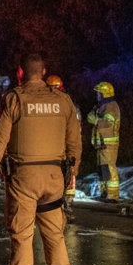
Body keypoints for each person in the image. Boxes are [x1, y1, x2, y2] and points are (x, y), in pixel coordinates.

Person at [0, 53, 80, 265]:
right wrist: (72, 174)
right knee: (55, 236)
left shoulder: (14, 99)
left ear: (20, 73)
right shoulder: (63, 101)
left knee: (22, 235)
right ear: (44, 72)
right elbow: (74, 144)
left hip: (23, 179)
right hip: (54, 179)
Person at [46, 75, 77, 221]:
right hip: (51, 146)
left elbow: (75, 129)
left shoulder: (68, 104)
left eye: (53, 88)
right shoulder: (48, 103)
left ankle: (66, 205)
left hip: (62, 147)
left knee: (68, 174)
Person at [87, 82, 121, 201]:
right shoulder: (101, 106)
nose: (97, 95)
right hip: (101, 143)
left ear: (104, 94)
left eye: (98, 93)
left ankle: (112, 196)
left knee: (109, 168)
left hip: (109, 143)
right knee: (103, 169)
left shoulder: (111, 106)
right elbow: (90, 116)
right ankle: (104, 193)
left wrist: (96, 120)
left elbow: (108, 122)